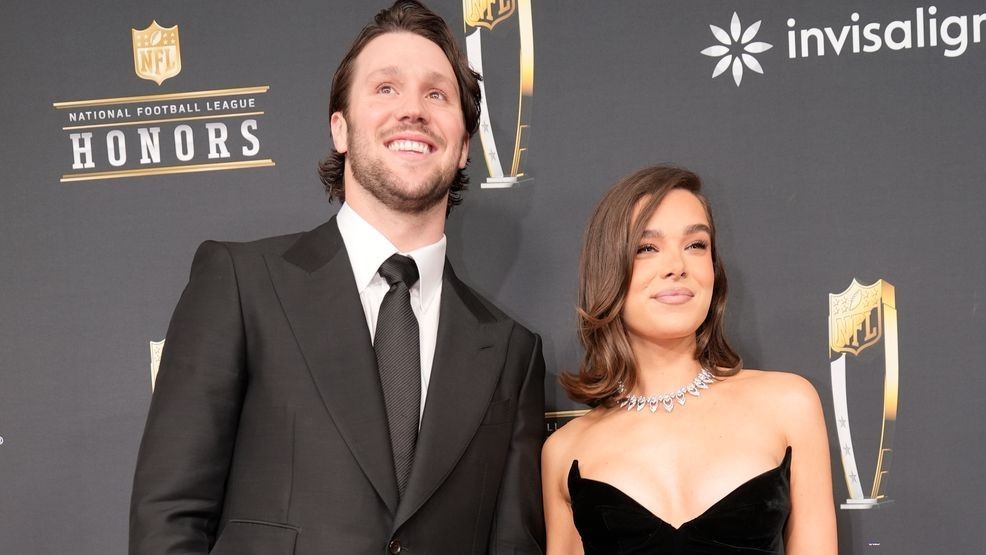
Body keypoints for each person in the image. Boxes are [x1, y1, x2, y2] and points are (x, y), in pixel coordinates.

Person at [129, 2, 546, 553]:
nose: (413, 111)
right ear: (341, 128)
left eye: (437, 94)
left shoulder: (512, 352)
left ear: (465, 143)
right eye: (386, 88)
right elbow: (170, 517)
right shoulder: (241, 283)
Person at [541, 166, 837, 554]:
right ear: (608, 270)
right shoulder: (566, 450)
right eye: (647, 248)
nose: (677, 266)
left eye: (696, 245)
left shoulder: (788, 404)